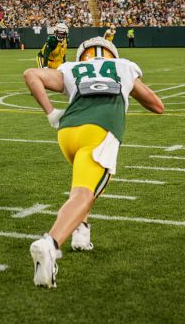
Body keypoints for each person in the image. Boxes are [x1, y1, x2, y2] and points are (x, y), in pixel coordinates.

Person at [22, 36, 164, 288]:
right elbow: (157, 105)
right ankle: (50, 244)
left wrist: (51, 113)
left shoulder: (72, 69)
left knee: (83, 181)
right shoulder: (124, 66)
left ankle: (81, 233)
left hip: (67, 133)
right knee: (84, 193)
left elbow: (31, 74)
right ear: (112, 55)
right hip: (99, 130)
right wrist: (130, 88)